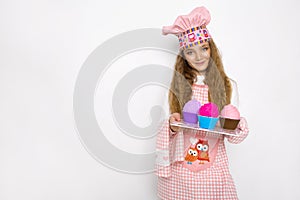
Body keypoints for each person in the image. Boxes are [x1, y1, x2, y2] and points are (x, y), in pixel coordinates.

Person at [155, 6, 249, 200]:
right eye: (190, 52)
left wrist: (237, 126)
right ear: (183, 56)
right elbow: (165, 128)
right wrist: (172, 125)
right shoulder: (176, 87)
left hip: (214, 173)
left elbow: (233, 138)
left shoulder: (228, 85)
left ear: (211, 48)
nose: (199, 57)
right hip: (180, 175)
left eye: (204, 48)